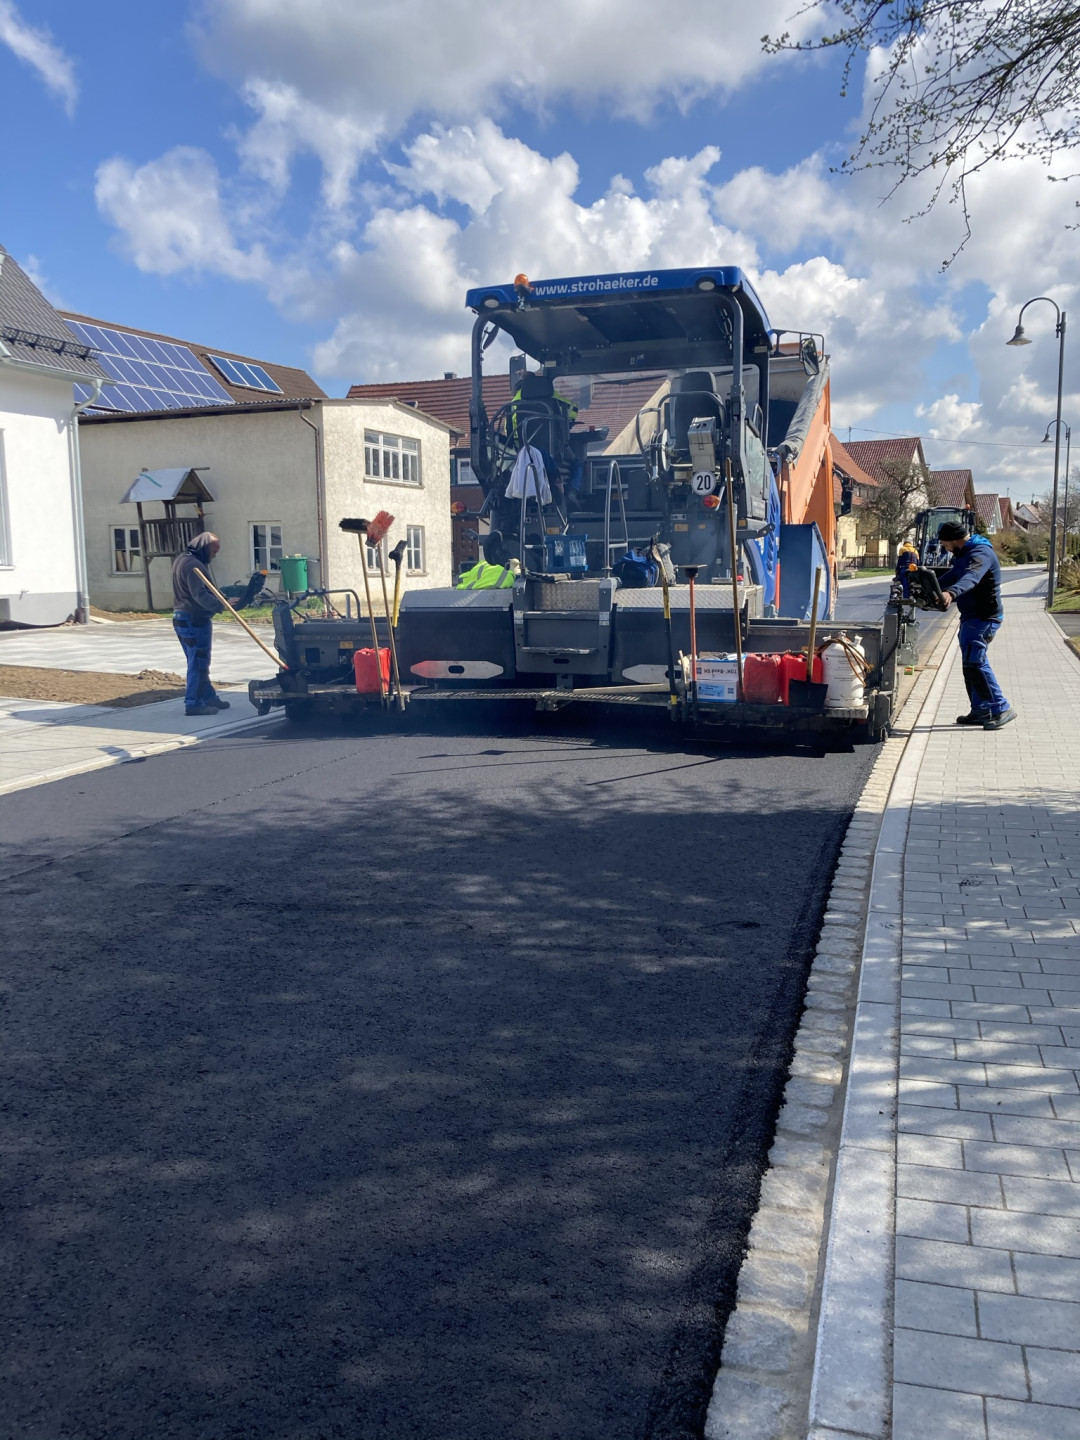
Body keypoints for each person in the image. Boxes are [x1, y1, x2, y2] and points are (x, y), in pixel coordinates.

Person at [937, 520, 1015, 730]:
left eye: (945, 543)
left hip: (985, 617)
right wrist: (927, 587)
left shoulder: (980, 554)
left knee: (976, 663)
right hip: (970, 617)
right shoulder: (963, 555)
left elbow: (972, 578)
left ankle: (1001, 707)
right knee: (969, 665)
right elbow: (952, 576)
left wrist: (950, 593)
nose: (944, 547)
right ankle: (981, 710)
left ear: (954, 539)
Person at [172, 532, 231, 717]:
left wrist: (224, 598)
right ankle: (193, 704)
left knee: (201, 661)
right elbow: (200, 595)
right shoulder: (192, 565)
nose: (214, 556)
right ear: (204, 547)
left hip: (184, 617)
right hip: (193, 620)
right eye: (213, 551)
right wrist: (222, 605)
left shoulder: (182, 559)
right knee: (197, 662)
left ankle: (208, 697)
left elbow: (206, 590)